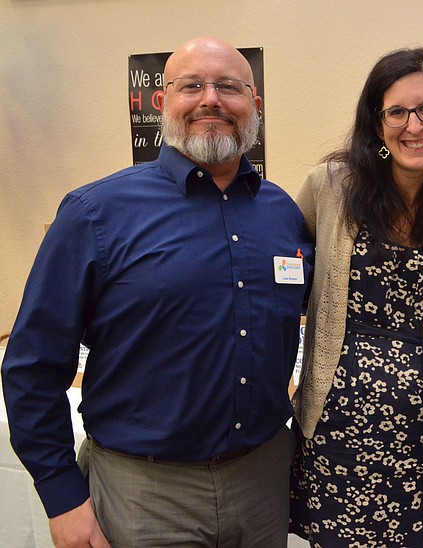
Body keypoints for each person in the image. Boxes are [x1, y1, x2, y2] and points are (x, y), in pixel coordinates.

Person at [1, 36, 313, 547]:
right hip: (143, 495)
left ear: (254, 104)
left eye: (229, 87)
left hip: (262, 482)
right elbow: (32, 366)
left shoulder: (283, 213)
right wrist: (63, 499)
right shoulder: (95, 213)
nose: (210, 99)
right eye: (192, 86)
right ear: (163, 101)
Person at [289, 47, 423, 547]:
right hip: (339, 426)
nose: (414, 125)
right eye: (396, 112)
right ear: (377, 125)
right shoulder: (330, 187)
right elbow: (281, 275)